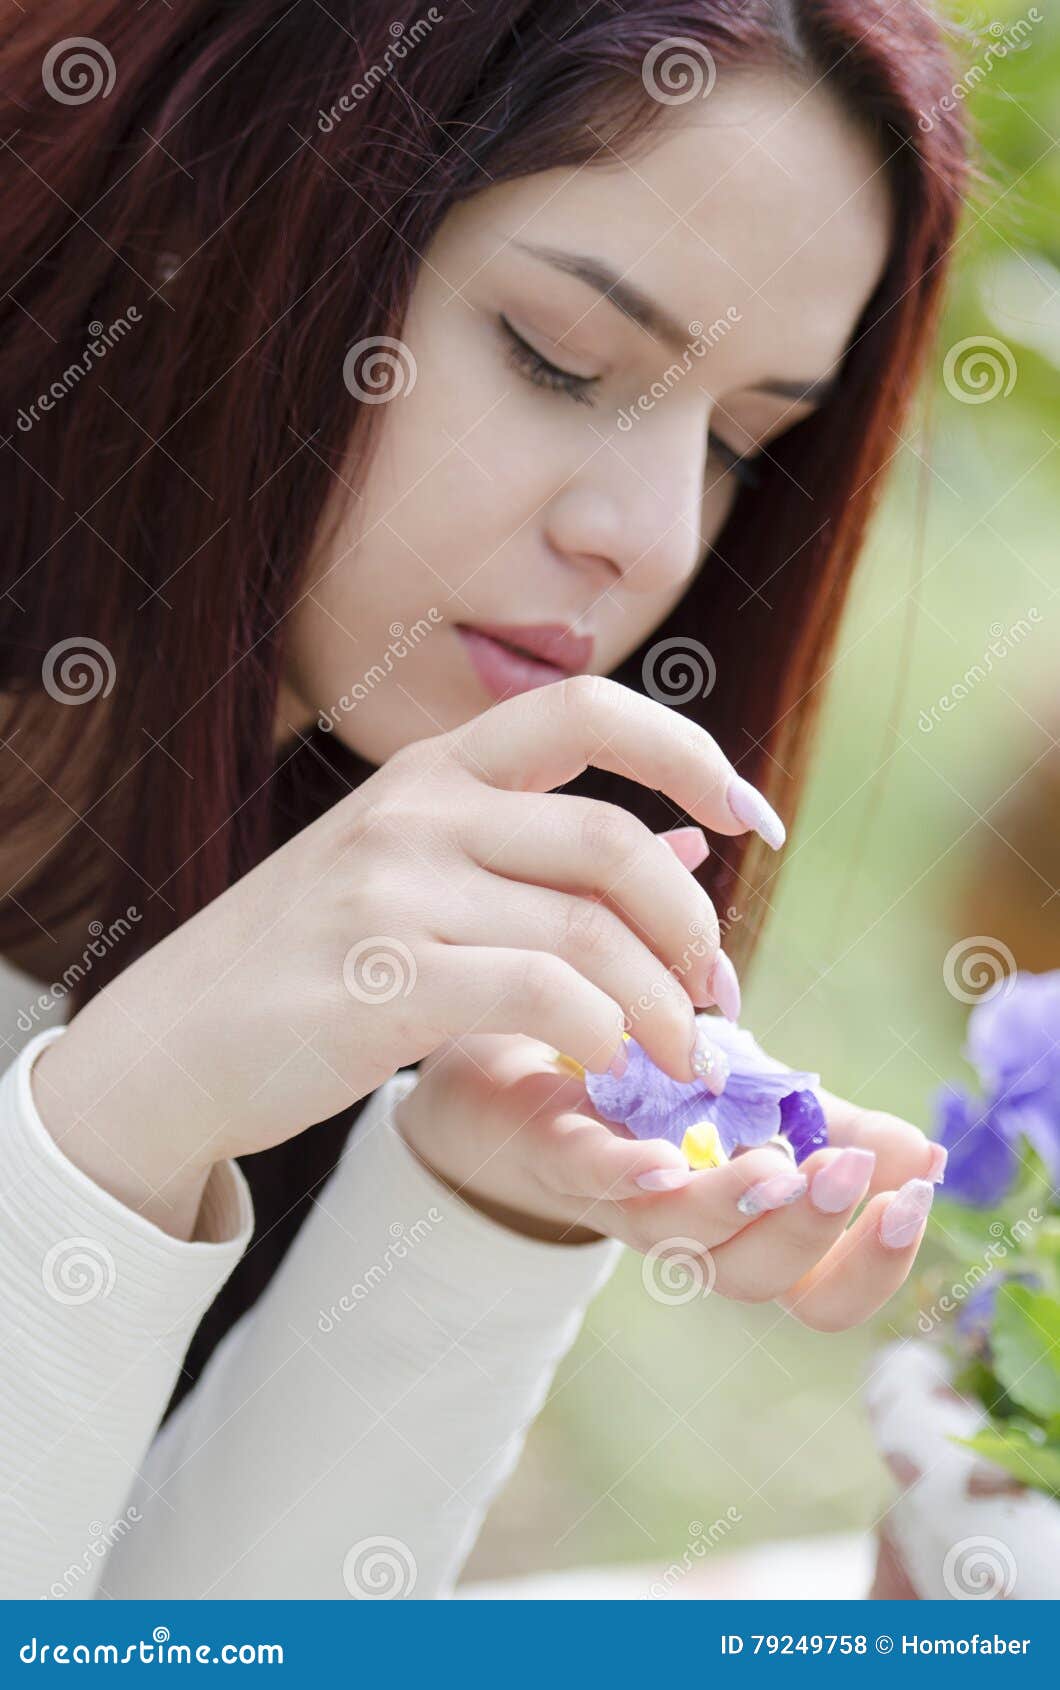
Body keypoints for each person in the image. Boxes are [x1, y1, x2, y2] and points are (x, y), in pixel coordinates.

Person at [0, 0, 966, 1599]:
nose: (649, 536)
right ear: (227, 200)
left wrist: (463, 1206)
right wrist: (119, 1118)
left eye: (743, 441)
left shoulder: (327, 933)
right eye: (557, 357)